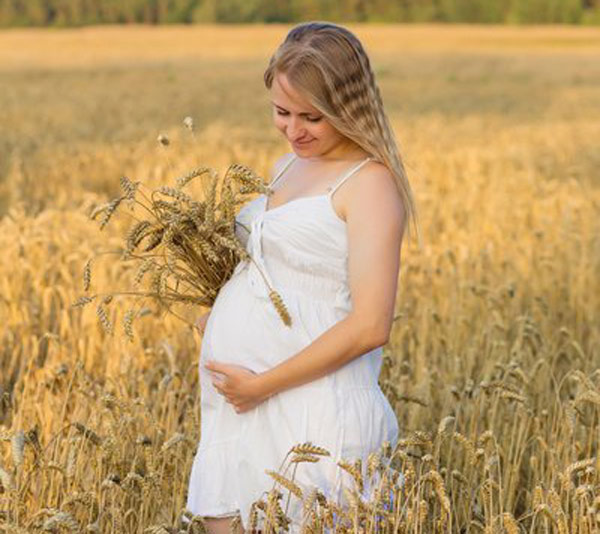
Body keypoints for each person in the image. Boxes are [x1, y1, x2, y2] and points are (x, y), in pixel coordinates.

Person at [185, 20, 419, 534]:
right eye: (281, 112)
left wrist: (261, 385)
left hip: (312, 410)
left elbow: (371, 324)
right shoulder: (285, 166)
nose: (294, 130)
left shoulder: (370, 185)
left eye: (312, 116)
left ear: (350, 106)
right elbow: (278, 268)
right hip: (242, 408)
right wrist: (219, 307)